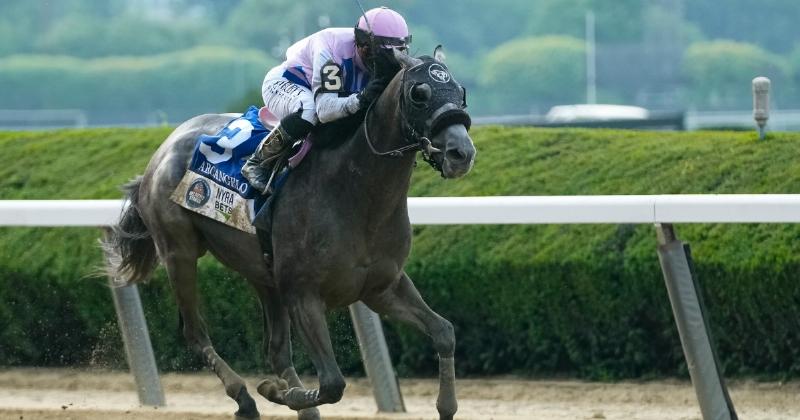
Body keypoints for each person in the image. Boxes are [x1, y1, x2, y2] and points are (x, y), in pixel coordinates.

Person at [241, 6, 412, 193]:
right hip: (288, 83)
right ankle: (258, 162)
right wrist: (362, 99)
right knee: (309, 111)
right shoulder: (331, 48)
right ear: (362, 45)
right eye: (379, 54)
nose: (384, 61)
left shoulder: (383, 54)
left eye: (393, 54)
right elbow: (324, 110)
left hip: (333, 93)